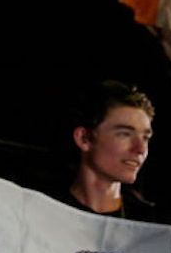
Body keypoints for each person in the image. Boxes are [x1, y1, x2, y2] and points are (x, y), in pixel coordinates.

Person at [55, 80, 158, 221]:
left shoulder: (153, 225)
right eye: (125, 134)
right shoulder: (44, 209)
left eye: (146, 138)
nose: (140, 149)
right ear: (84, 138)